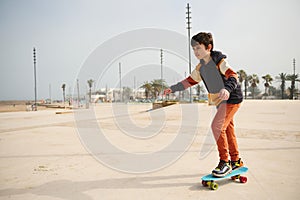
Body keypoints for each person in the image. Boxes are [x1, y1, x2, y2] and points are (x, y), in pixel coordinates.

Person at [164, 32, 244, 177]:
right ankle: (236, 160)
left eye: (198, 48)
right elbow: (190, 81)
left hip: (232, 98)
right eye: (194, 49)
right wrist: (173, 88)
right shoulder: (201, 68)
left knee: (217, 127)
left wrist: (227, 89)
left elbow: (233, 75)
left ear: (209, 47)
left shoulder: (220, 62)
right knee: (228, 129)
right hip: (221, 101)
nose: (196, 52)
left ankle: (224, 162)